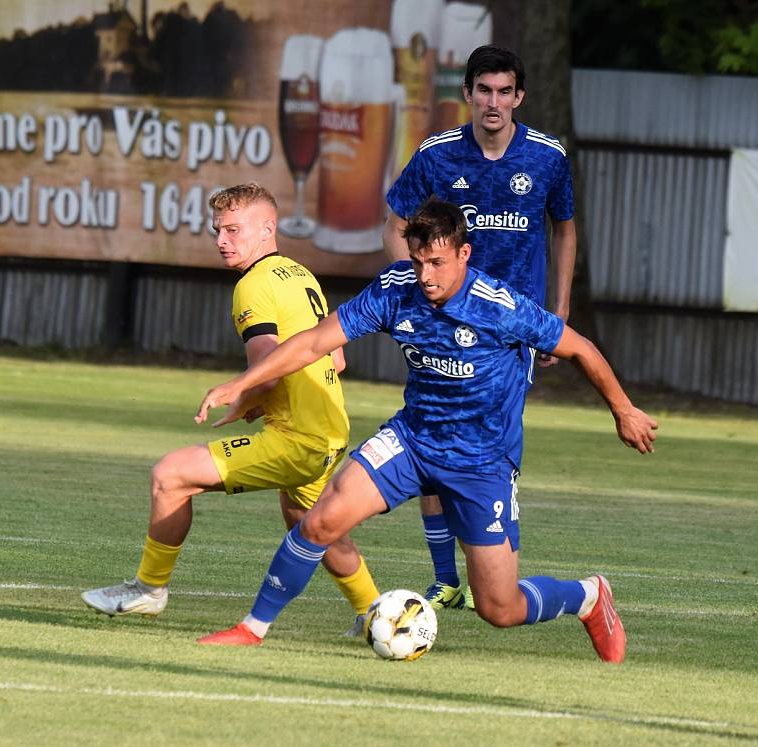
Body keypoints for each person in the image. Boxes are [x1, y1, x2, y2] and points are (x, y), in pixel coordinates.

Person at [193, 199, 657, 663]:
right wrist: (243, 383)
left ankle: (588, 597)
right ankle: (252, 628)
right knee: (320, 520)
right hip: (412, 441)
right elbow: (315, 341)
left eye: (437, 262)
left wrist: (624, 410)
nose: (426, 275)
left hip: (482, 460)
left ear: (464, 254)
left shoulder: (500, 307)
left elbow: (582, 348)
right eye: (417, 262)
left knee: (500, 607)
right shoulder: (396, 290)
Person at [81, 183, 379, 633]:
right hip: (331, 431)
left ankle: (148, 589)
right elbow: (337, 357)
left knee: (170, 475)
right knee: (311, 522)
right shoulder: (300, 274)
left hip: (298, 439)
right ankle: (376, 612)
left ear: (267, 229)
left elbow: (270, 369)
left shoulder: (254, 286)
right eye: (217, 229)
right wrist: (260, 398)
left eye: (233, 229)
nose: (222, 240)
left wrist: (242, 395)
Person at [383, 44, 577, 611]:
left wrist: (559, 309)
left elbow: (563, 229)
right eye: (482, 90)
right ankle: (447, 579)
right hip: (441, 320)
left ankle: (493, 554)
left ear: (519, 96)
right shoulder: (437, 155)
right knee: (431, 426)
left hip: (510, 333)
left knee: (476, 442)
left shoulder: (547, 157)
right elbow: (398, 223)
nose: (493, 102)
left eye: (504, 91)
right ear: (467, 94)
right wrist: (410, 291)